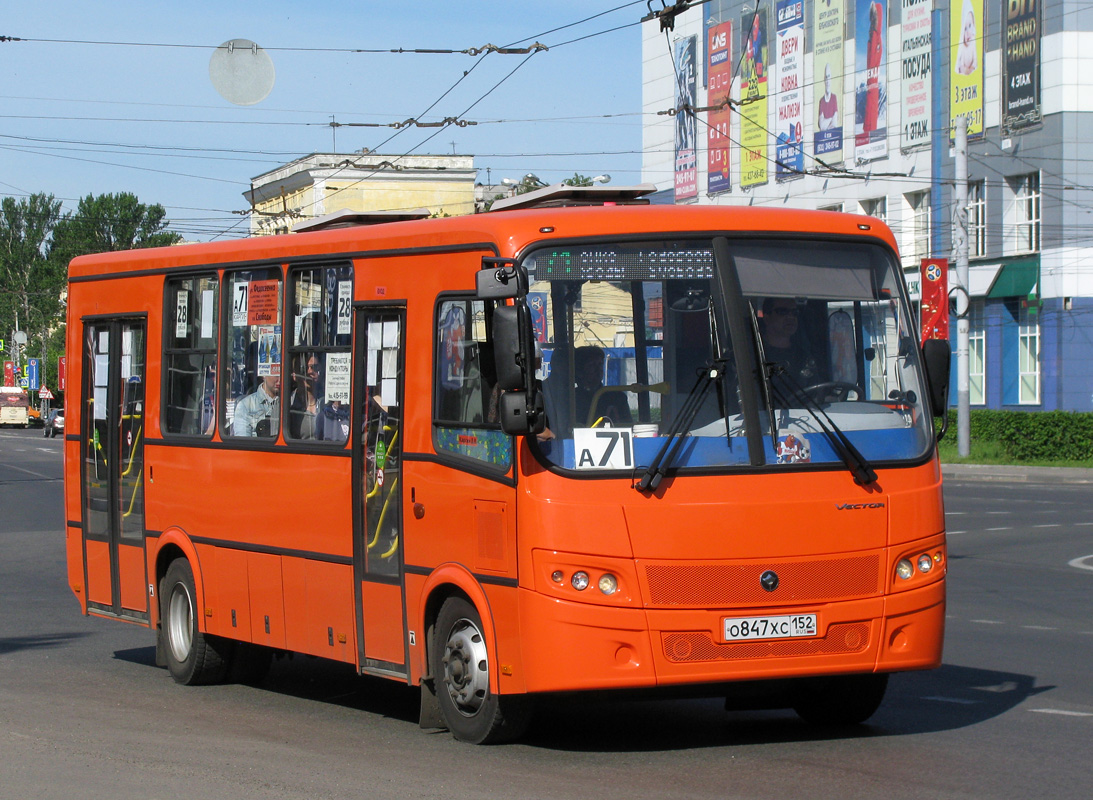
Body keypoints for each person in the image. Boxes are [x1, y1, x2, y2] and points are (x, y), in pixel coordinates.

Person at [759, 298, 818, 387]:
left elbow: (817, 392)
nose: (791, 317)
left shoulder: (803, 356)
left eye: (794, 313)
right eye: (782, 312)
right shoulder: (755, 355)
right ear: (767, 318)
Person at [573, 345, 633, 427]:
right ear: (579, 371)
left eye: (600, 364)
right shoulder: (572, 399)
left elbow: (628, 427)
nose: (598, 369)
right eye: (592, 365)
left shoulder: (617, 398)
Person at [233, 372, 280, 437]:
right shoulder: (246, 405)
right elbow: (243, 442)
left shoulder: (292, 402)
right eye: (276, 375)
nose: (280, 380)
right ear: (264, 374)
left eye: (284, 375)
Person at [289, 353, 322, 439]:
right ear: (294, 375)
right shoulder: (285, 404)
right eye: (303, 369)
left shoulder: (327, 401)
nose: (310, 372)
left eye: (314, 367)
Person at [864, 2, 883, 133]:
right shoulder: (872, 38)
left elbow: (872, 62)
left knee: (871, 116)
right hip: (870, 87)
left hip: (873, 87)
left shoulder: (876, 39)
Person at [955, 0, 978, 76]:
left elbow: (975, 60)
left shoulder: (974, 41)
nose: (968, 32)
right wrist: (966, 71)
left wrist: (972, 68)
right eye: (965, 29)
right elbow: (961, 66)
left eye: (970, 26)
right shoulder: (962, 47)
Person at [818, 63, 839, 130]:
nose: (827, 81)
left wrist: (826, 121)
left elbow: (834, 123)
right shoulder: (821, 101)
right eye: (826, 78)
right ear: (824, 80)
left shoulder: (833, 98)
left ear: (831, 79)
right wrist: (830, 119)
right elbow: (821, 126)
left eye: (829, 77)